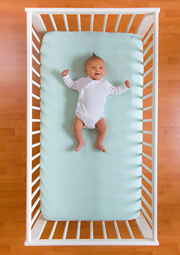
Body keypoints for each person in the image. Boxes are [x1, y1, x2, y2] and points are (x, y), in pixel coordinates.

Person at [61, 53, 131, 153]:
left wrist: (124, 87)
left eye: (101, 67)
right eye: (93, 67)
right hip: (81, 116)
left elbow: (115, 91)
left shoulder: (105, 84)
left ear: (105, 71)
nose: (97, 70)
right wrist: (66, 77)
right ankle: (80, 142)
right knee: (76, 127)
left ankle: (98, 143)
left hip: (98, 118)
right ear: (86, 71)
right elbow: (71, 84)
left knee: (104, 129)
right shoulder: (82, 82)